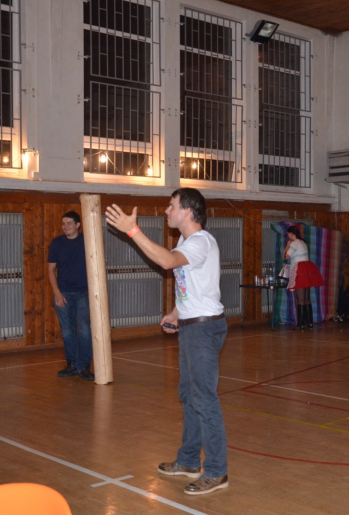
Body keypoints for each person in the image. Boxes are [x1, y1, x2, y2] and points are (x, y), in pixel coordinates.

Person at [104, 188, 229, 496]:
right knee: (189, 397)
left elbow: (167, 262)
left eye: (172, 206)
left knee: (204, 399)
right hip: (191, 327)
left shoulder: (200, 241)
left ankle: (216, 471)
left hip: (204, 330)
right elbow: (192, 285)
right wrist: (176, 312)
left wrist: (133, 231)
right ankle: (188, 461)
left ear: (188, 211)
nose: (166, 211)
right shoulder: (186, 242)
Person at [47, 211, 94, 381]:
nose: (65, 226)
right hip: (64, 292)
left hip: (84, 292)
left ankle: (84, 366)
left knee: (84, 329)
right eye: (63, 224)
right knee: (67, 331)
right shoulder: (57, 243)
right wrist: (57, 293)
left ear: (77, 225)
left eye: (68, 223)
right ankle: (72, 364)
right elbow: (51, 270)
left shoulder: (87, 241)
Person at [283, 225, 325, 331]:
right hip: (307, 269)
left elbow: (285, 257)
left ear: (290, 234)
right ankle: (309, 322)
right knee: (306, 298)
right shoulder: (303, 242)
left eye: (288, 234)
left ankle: (301, 324)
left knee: (300, 299)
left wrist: (287, 246)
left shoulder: (294, 243)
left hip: (299, 270)